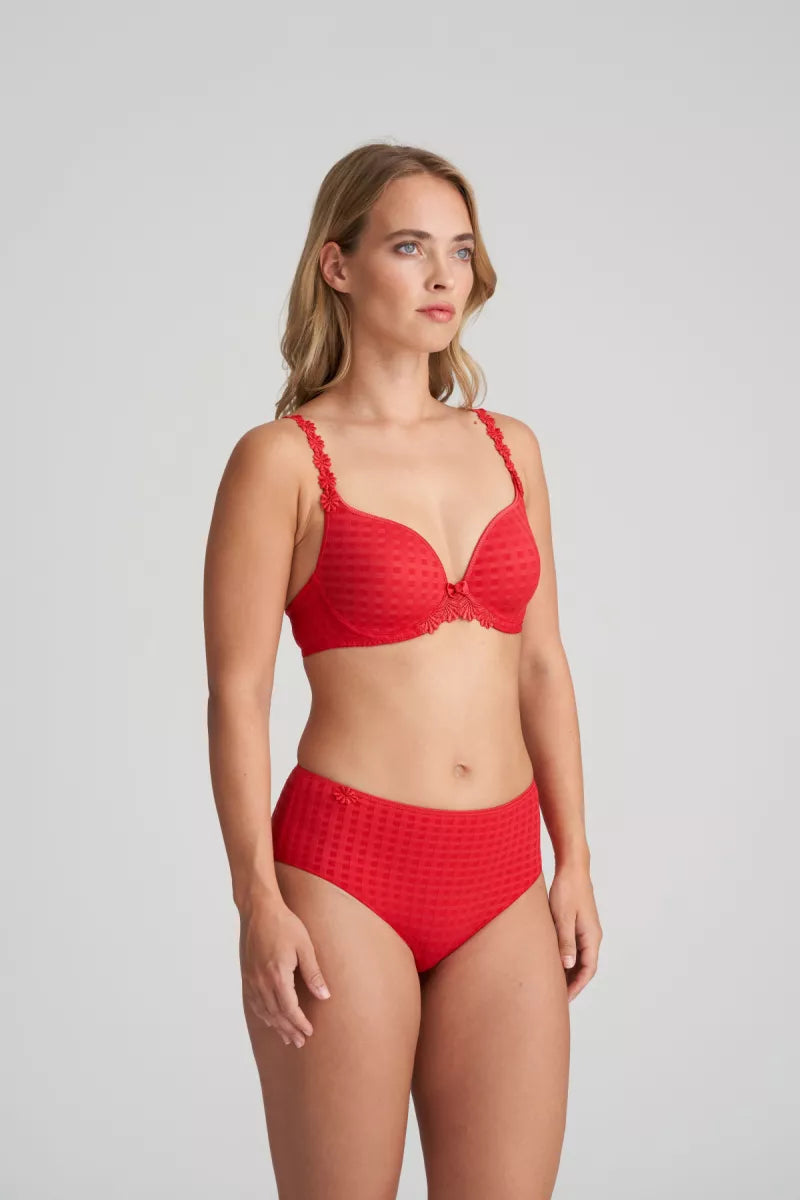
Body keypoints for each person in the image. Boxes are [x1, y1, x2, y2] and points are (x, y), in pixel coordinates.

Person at [203, 141, 602, 1200]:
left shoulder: (510, 447)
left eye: (460, 251)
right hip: (344, 876)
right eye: (410, 247)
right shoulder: (281, 460)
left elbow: (541, 666)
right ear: (337, 265)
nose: (443, 276)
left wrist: (573, 859)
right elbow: (238, 696)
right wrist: (256, 899)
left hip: (503, 878)